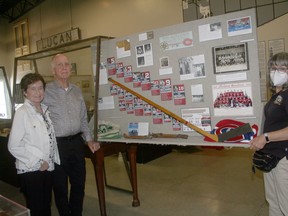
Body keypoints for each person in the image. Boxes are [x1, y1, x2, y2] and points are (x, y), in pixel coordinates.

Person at [43, 53, 100, 216]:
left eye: (66, 64)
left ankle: (76, 213)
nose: (64, 67)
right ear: (53, 69)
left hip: (76, 143)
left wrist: (89, 139)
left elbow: (83, 118)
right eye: (60, 65)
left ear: (71, 68)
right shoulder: (46, 91)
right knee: (60, 186)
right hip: (57, 145)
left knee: (79, 183)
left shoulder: (77, 91)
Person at [8, 73, 60, 216]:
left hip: (47, 167)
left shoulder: (44, 110)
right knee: (37, 208)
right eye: (33, 88)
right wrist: (38, 161)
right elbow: (13, 145)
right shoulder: (22, 113)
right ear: (25, 92)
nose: (38, 92)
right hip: (32, 169)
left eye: (40, 88)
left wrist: (50, 161)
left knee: (46, 205)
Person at [250, 52, 288, 216]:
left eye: (283, 68)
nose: (277, 71)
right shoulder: (276, 95)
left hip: (284, 158)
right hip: (272, 156)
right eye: (273, 67)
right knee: (273, 202)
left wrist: (265, 137)